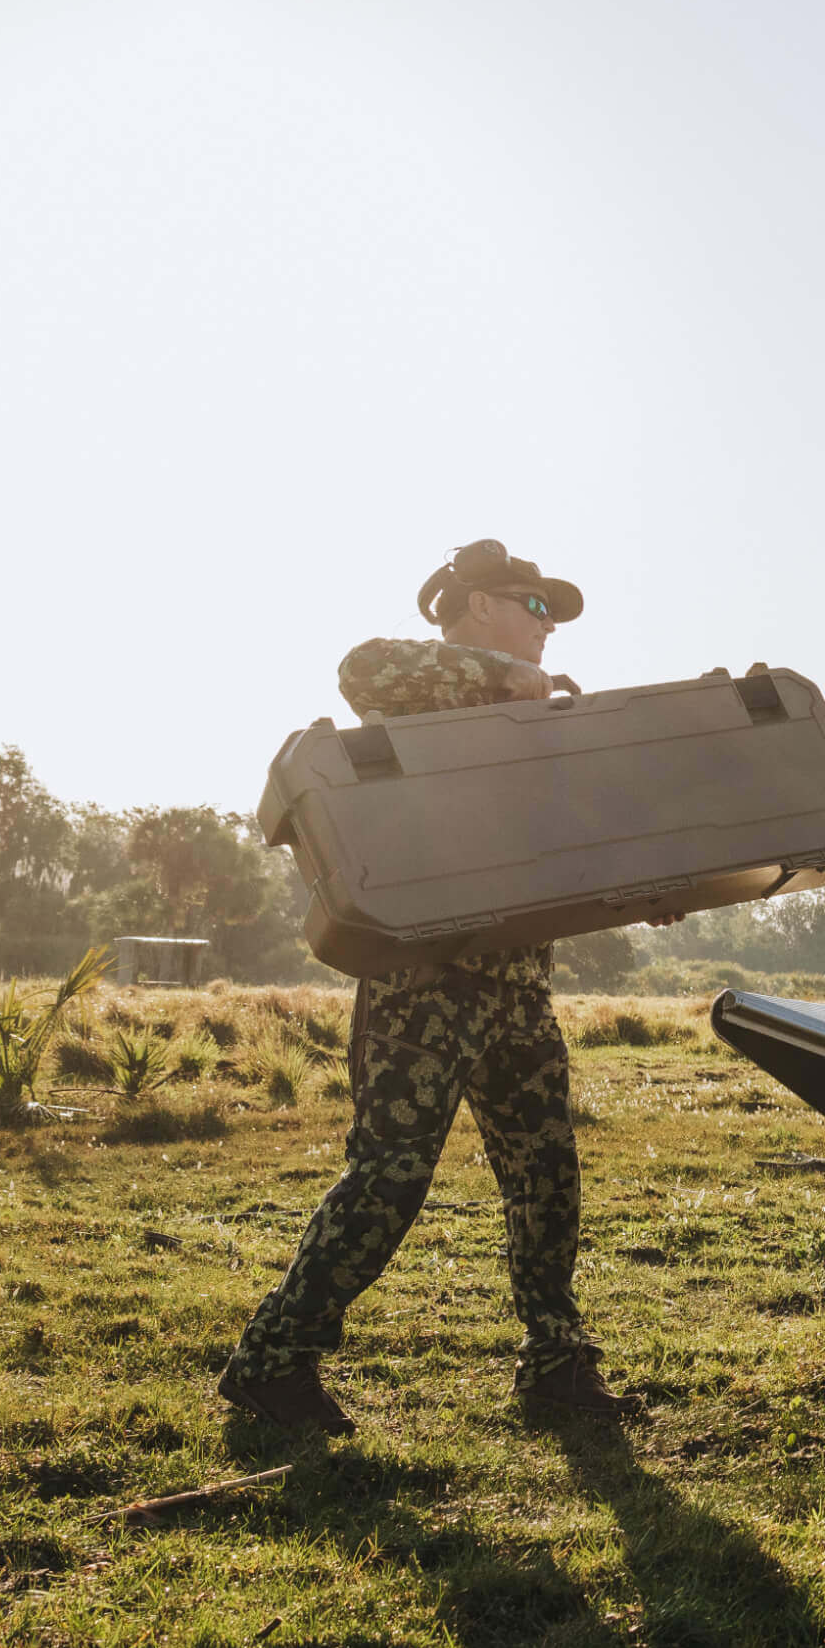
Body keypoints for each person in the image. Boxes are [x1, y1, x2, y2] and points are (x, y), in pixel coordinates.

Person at [219, 537, 632, 1434]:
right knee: (389, 1177)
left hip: (519, 984)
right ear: (479, 607)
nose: (548, 627)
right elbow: (358, 667)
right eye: (535, 607)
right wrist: (499, 676)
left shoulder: (533, 727)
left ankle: (555, 1363)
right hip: (424, 984)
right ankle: (272, 1361)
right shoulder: (424, 687)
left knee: (546, 1176)